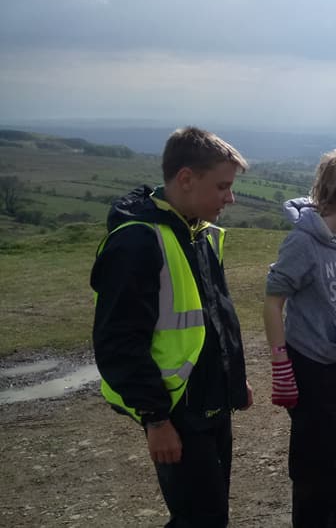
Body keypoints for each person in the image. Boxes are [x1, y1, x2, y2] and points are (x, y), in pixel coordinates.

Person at [91, 126, 253, 527]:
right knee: (200, 518)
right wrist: (156, 419)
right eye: (222, 186)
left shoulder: (197, 232)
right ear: (185, 178)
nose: (230, 198)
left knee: (210, 514)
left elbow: (213, 316)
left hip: (211, 401)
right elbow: (118, 341)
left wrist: (233, 378)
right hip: (178, 410)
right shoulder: (137, 242)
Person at [262, 150, 336, 527]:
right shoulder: (302, 243)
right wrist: (281, 364)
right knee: (315, 462)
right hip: (312, 367)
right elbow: (272, 302)